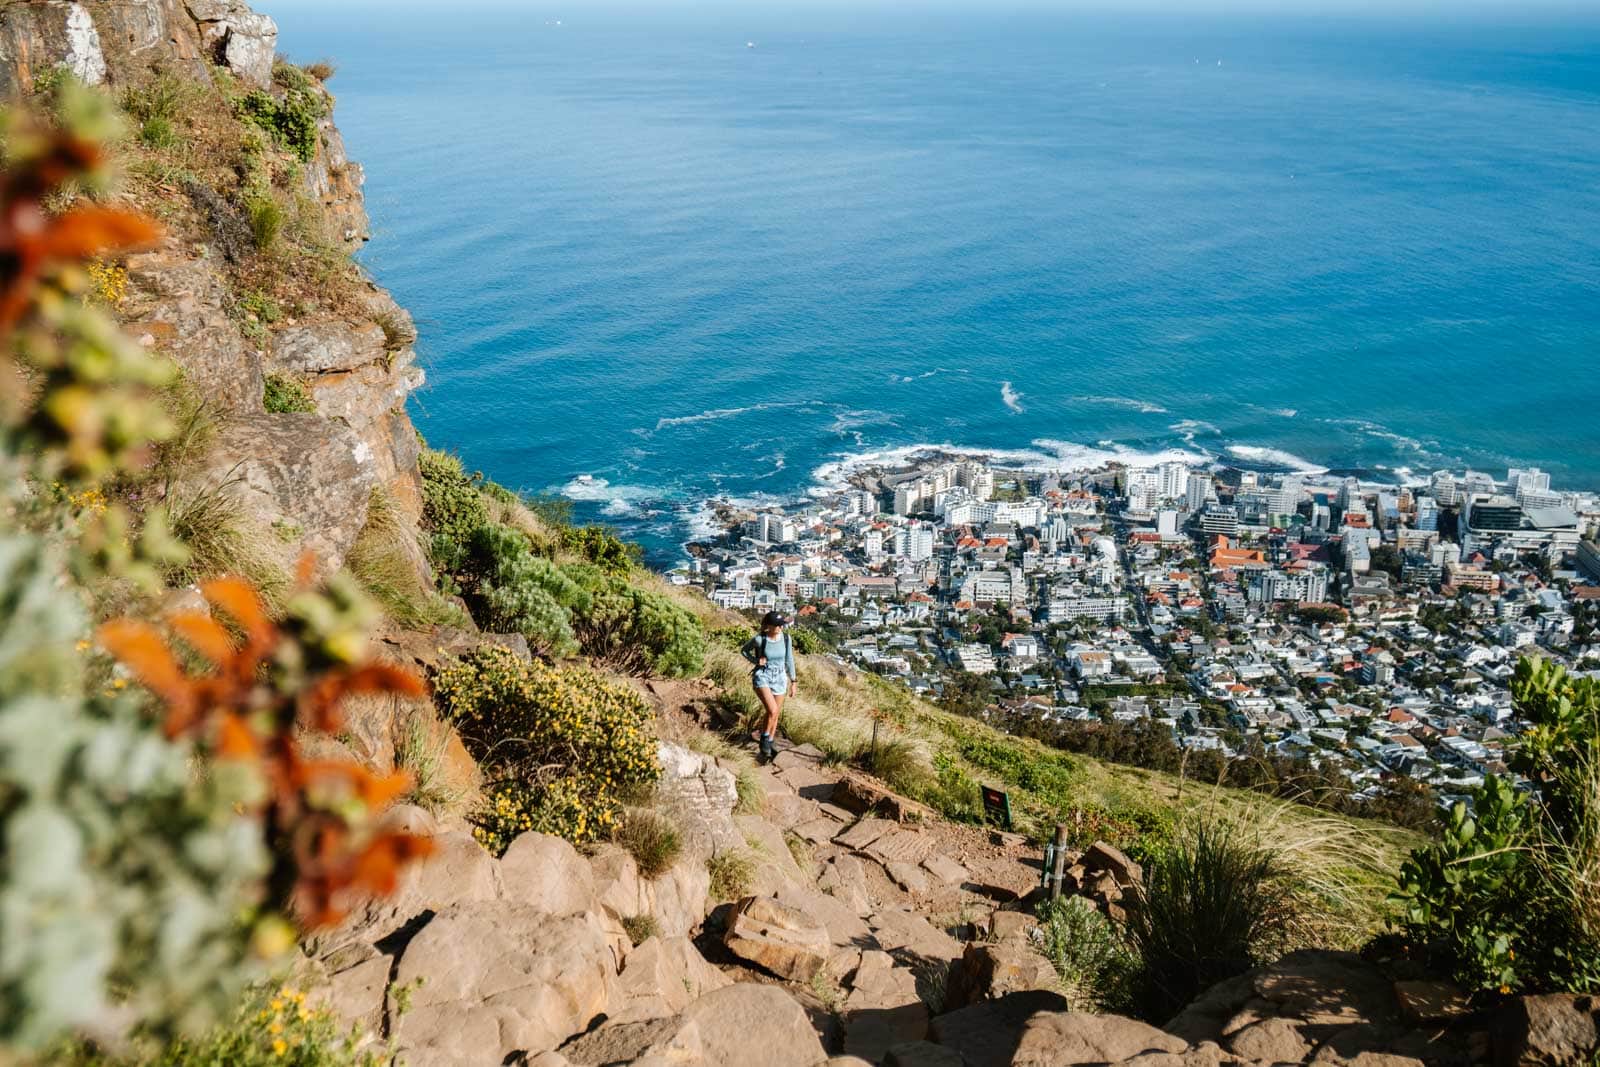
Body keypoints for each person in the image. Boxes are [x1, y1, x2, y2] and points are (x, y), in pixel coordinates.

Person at [741, 611, 797, 762]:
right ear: (769, 626)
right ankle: (765, 740)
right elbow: (744, 651)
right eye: (777, 625)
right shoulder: (760, 639)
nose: (780, 627)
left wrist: (793, 681)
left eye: (781, 625)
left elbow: (789, 659)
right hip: (763, 676)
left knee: (774, 713)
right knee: (772, 710)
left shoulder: (786, 638)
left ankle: (769, 743)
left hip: (780, 677)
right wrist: (755, 660)